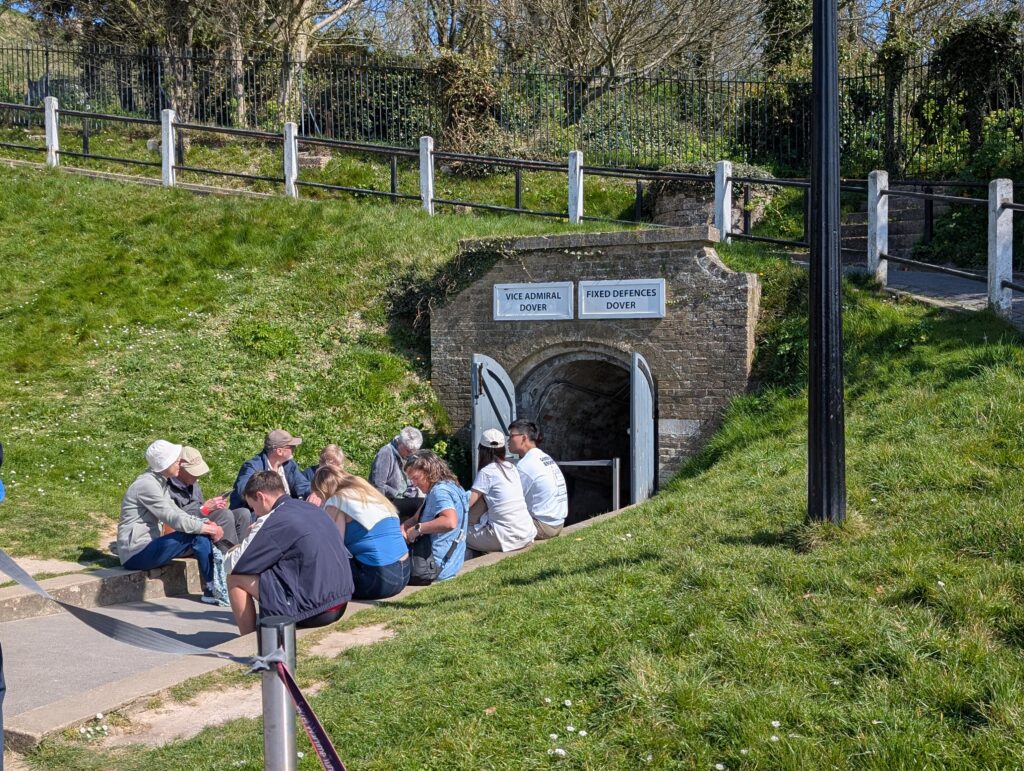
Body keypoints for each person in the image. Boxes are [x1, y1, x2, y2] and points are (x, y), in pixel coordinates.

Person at [225, 471, 353, 635]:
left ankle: (248, 640)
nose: (255, 513)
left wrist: (250, 537)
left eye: (253, 507)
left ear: (261, 497)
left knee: (235, 579)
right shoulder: (311, 508)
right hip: (340, 600)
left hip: (316, 610)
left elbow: (233, 565)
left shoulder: (274, 519)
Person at [118, 440, 224, 603]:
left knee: (200, 533)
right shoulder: (146, 485)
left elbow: (177, 511)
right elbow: (172, 519)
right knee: (197, 535)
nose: (179, 464)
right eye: (176, 461)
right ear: (165, 463)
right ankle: (212, 588)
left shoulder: (158, 482)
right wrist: (208, 529)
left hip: (147, 547)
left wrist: (204, 523)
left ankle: (213, 587)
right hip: (135, 554)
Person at [312, 466, 410, 600]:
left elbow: (334, 549)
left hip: (378, 580)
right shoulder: (368, 493)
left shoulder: (336, 501)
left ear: (322, 490)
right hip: (404, 573)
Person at [400, 451, 468, 583]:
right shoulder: (451, 485)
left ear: (428, 471)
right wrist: (403, 528)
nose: (414, 484)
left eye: (416, 478)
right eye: (411, 479)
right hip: (449, 565)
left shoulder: (440, 492)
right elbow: (416, 518)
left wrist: (418, 529)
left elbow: (450, 522)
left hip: (434, 568)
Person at [169, 446, 252, 551]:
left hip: (199, 520)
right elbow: (173, 518)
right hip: (183, 531)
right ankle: (229, 557)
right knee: (224, 515)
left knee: (243, 514)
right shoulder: (167, 488)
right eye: (193, 471)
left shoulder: (191, 482)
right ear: (179, 467)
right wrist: (204, 510)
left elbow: (200, 506)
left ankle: (243, 554)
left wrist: (213, 507)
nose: (198, 475)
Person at [467, 429, 535, 554]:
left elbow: (467, 504)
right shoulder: (512, 467)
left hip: (506, 537)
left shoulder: (486, 472)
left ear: (482, 450)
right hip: (527, 532)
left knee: (456, 533)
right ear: (503, 449)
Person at [507, 419, 569, 539]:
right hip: (558, 523)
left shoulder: (525, 465)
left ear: (524, 438)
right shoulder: (544, 457)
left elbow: (510, 501)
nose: (508, 440)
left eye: (511, 436)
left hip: (542, 526)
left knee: (496, 524)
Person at [229, 429, 315, 511]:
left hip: (286, 510)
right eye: (291, 447)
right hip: (257, 513)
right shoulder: (252, 467)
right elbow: (244, 491)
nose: (294, 449)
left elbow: (302, 485)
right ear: (279, 451)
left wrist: (314, 493)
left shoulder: (289, 464)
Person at [370, 426, 424, 518]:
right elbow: (378, 484)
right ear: (399, 442)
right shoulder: (386, 453)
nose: (410, 454)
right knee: (421, 505)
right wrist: (381, 510)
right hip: (390, 499)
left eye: (413, 451)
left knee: (429, 501)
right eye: (408, 451)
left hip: (406, 493)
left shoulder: (404, 453)